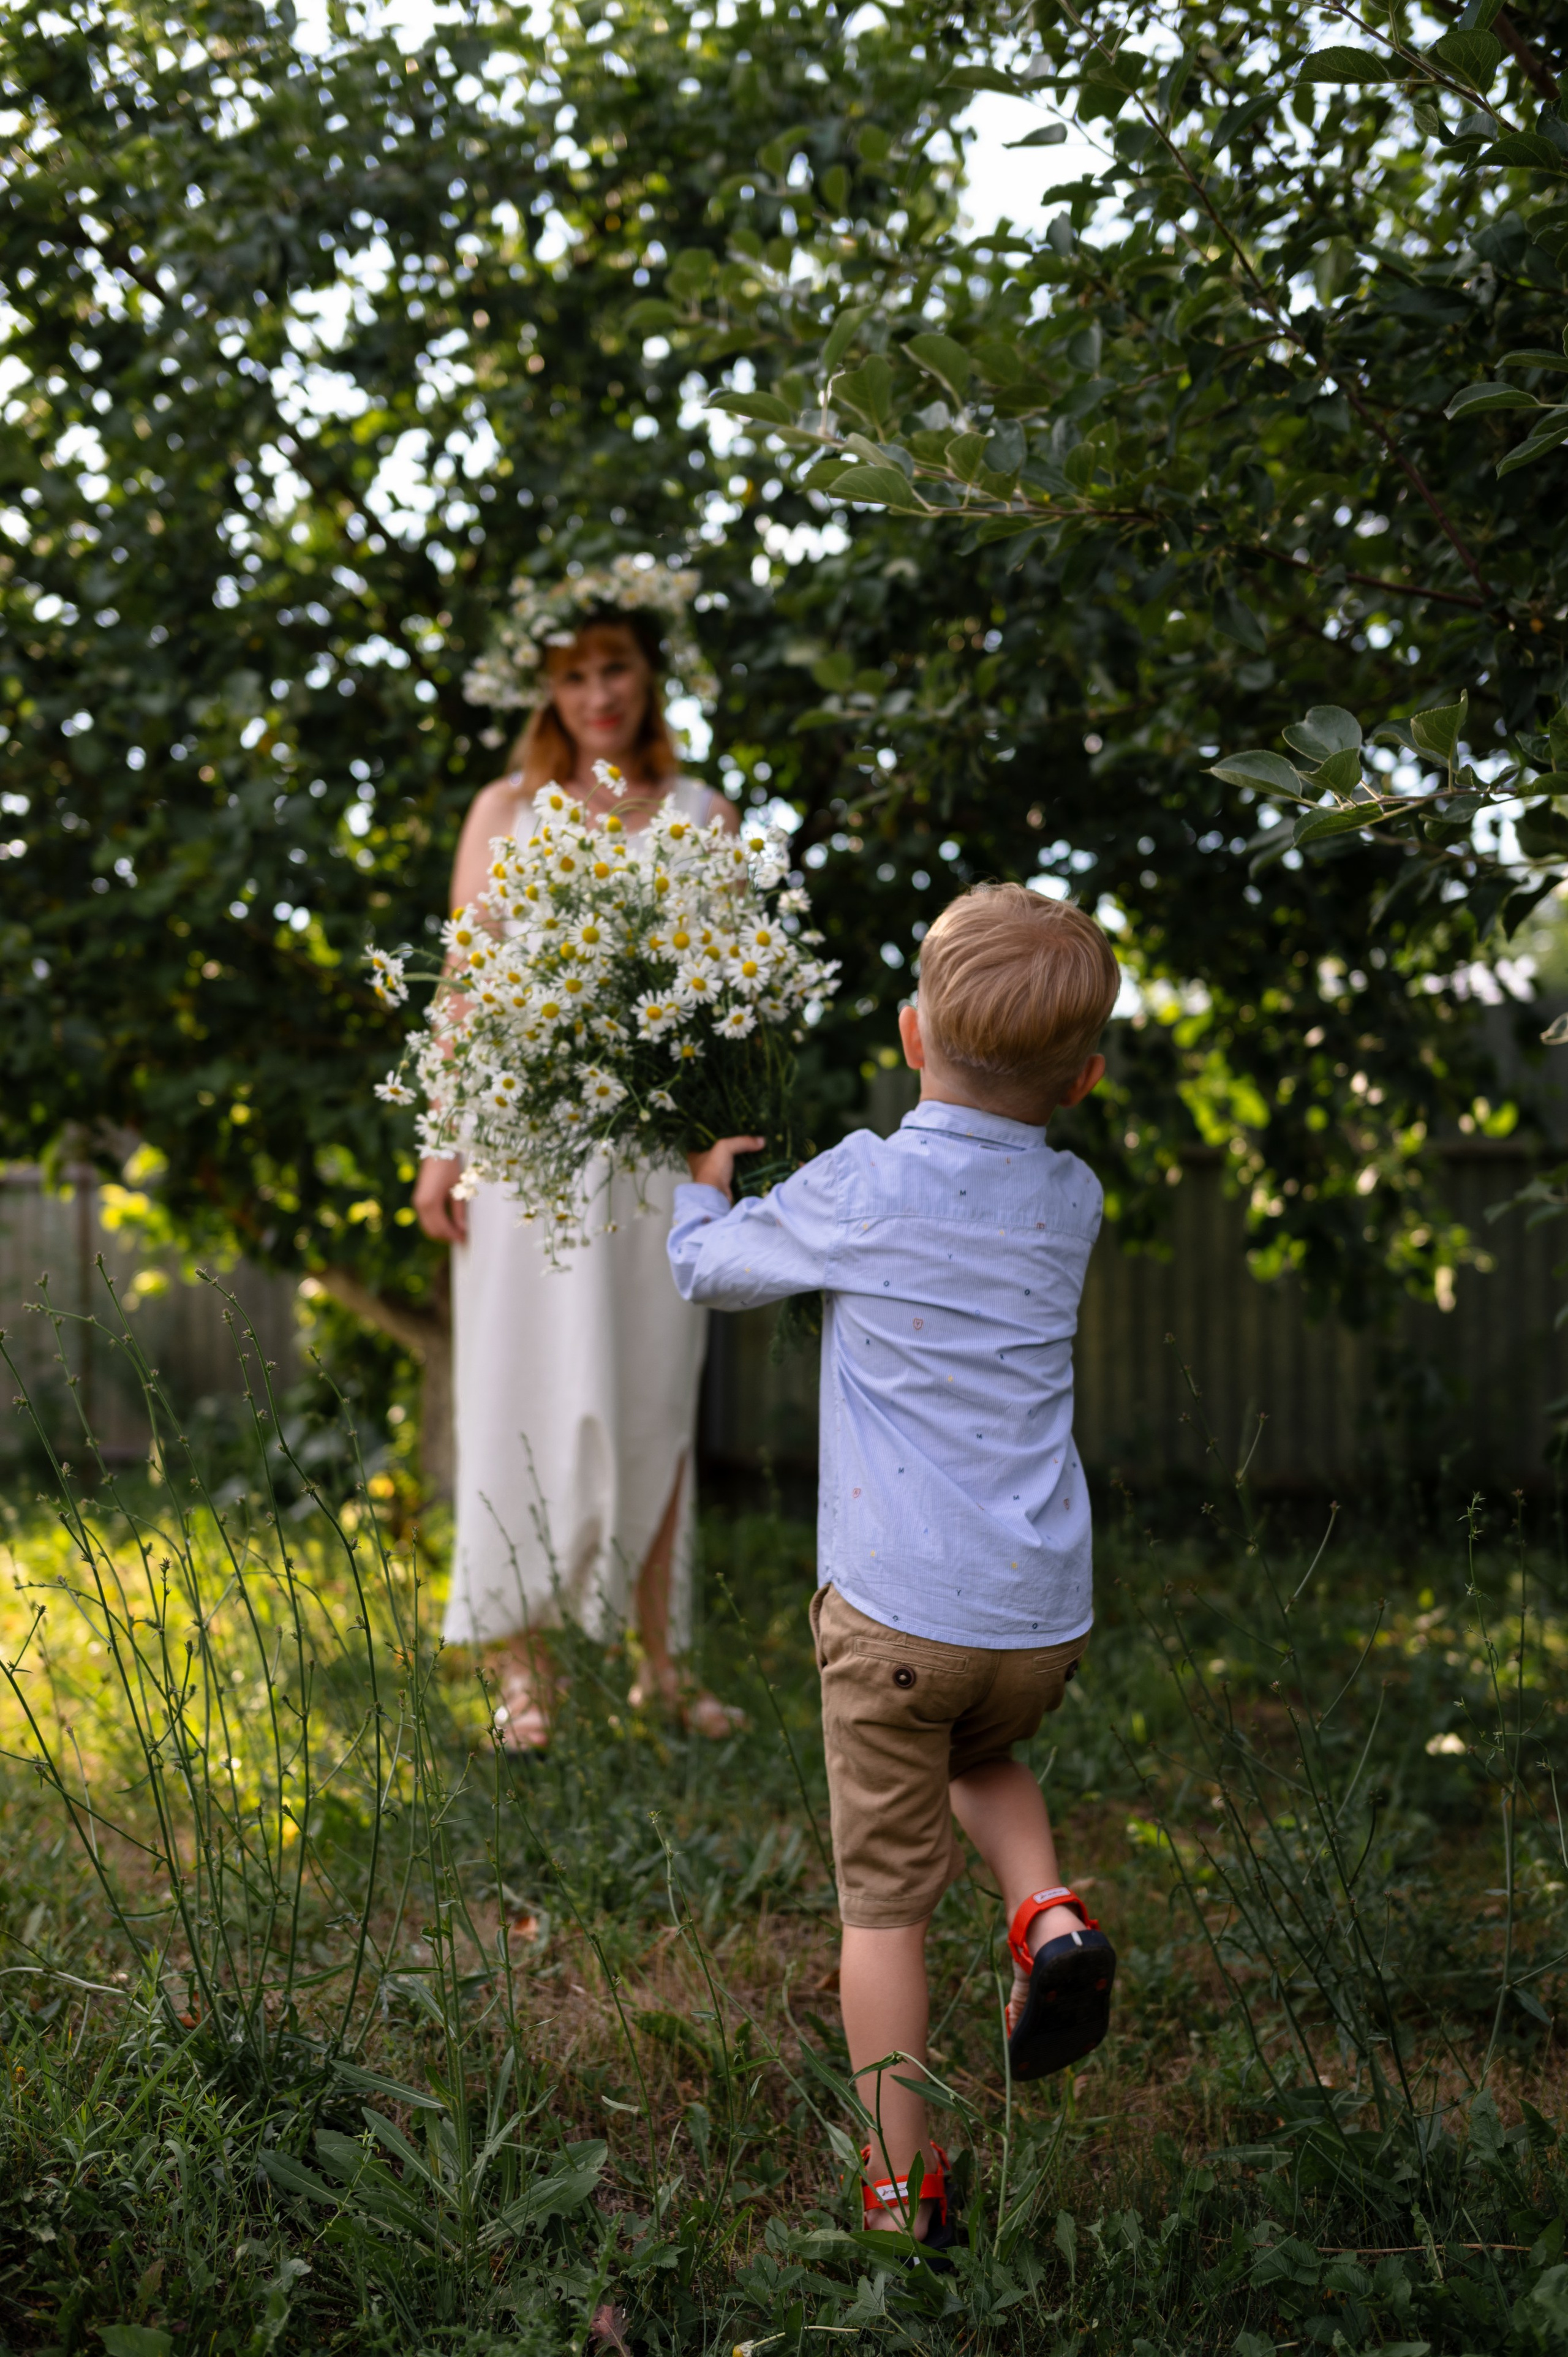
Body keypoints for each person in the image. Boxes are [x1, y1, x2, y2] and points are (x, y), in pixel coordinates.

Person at [666, 881, 1121, 2249]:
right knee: (976, 1750)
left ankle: (893, 2189)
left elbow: (715, 1272)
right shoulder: (1071, 1196)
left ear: (911, 1036)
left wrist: (703, 1194)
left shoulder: (867, 1180)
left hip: (893, 1616)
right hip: (1035, 1618)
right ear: (1085, 1081)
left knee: (885, 1909)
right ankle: (1042, 1910)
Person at [415, 570, 745, 1749]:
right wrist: (443, 1149)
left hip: (653, 1157)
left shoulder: (701, 811)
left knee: (653, 1396)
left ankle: (664, 1665)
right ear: (545, 687)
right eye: (573, 672)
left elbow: (726, 1007)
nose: (597, 691)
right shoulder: (505, 807)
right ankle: (526, 1682)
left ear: (647, 671)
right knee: (516, 1399)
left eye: (614, 666)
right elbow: (464, 986)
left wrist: (715, 1144)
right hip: (524, 1155)